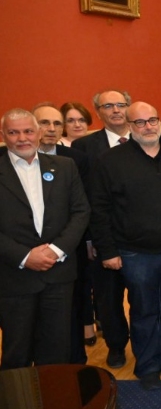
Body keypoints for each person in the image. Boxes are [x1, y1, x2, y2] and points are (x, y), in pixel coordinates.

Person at [88, 102, 161, 390]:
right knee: (144, 311)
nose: (148, 127)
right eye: (140, 122)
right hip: (135, 253)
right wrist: (108, 251)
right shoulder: (110, 161)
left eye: (152, 120)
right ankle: (148, 364)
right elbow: (99, 209)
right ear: (130, 126)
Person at [0, 109, 89, 370]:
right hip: (13, 275)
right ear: (3, 135)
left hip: (58, 273)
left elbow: (81, 212)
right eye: (13, 132)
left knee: (56, 349)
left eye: (28, 131)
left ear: (38, 133)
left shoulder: (65, 166)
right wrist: (25, 256)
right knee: (16, 351)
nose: (22, 138)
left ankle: (52, 397)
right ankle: (16, 399)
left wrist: (56, 250)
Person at [72, 90, 132, 369]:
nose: (116, 110)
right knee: (108, 299)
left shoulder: (147, 138)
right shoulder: (83, 148)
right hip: (102, 236)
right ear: (98, 112)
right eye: (108, 106)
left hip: (142, 236)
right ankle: (116, 345)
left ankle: (146, 344)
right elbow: (81, 197)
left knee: (145, 297)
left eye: (121, 104)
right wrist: (92, 238)